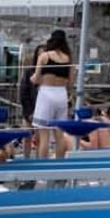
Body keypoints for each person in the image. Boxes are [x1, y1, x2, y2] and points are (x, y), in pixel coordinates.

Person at [30, 28, 75, 160]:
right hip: (61, 94)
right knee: (59, 134)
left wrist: (32, 79)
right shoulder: (69, 59)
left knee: (44, 135)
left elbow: (36, 78)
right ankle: (59, 165)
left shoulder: (44, 56)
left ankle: (43, 168)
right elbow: (71, 82)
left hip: (46, 93)